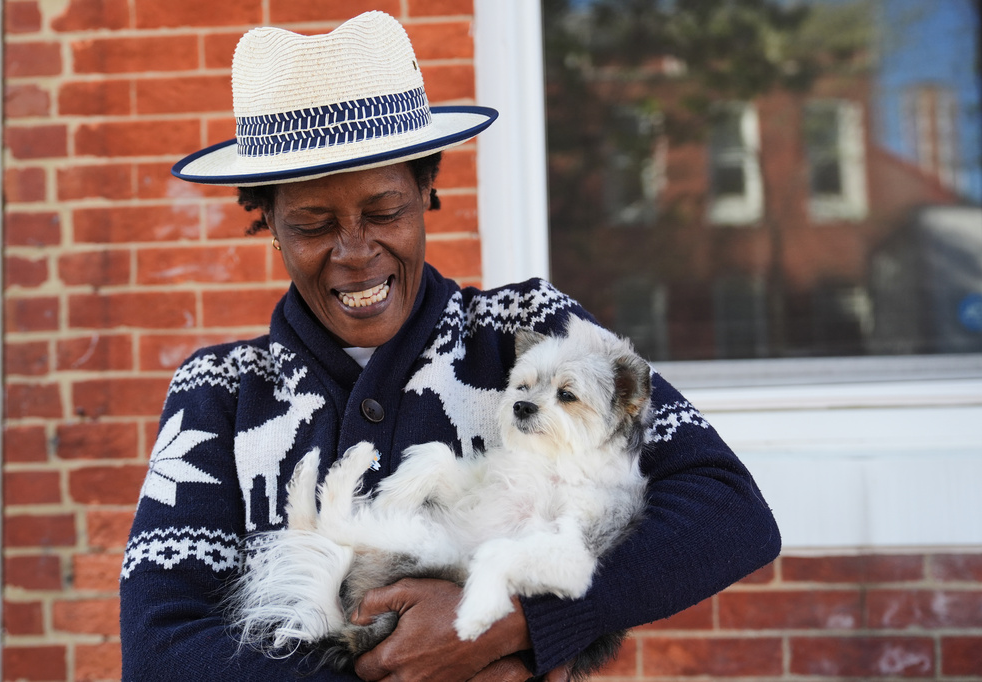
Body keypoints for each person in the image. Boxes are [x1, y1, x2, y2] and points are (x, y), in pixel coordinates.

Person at [119, 11, 781, 682]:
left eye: (384, 212)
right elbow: (160, 644)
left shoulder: (528, 330)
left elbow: (728, 510)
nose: (355, 253)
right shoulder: (220, 392)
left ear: (428, 189)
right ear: (268, 224)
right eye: (313, 225)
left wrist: (514, 623)